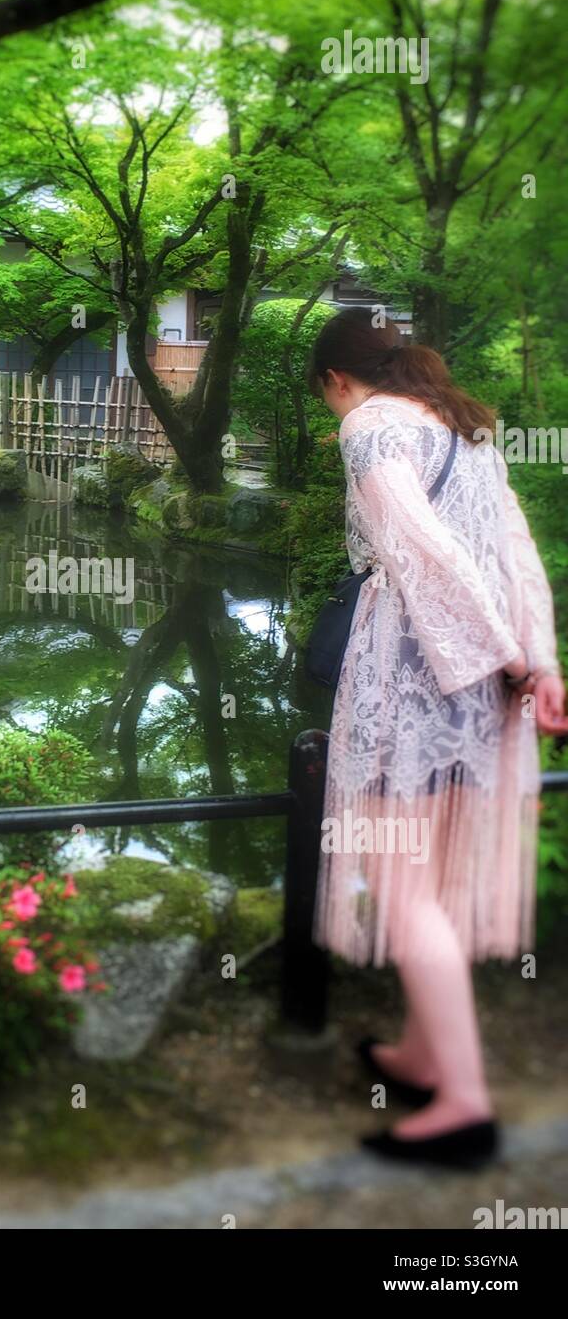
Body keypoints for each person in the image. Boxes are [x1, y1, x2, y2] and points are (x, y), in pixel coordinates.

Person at [309, 306, 568, 1168]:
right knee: (438, 875)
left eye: (325, 399)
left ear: (336, 381)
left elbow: (419, 551)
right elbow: (515, 551)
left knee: (397, 875)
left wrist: (498, 653)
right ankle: (425, 1055)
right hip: (483, 677)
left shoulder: (370, 426)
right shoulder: (463, 426)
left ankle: (459, 1104)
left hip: (419, 666)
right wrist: (537, 660)